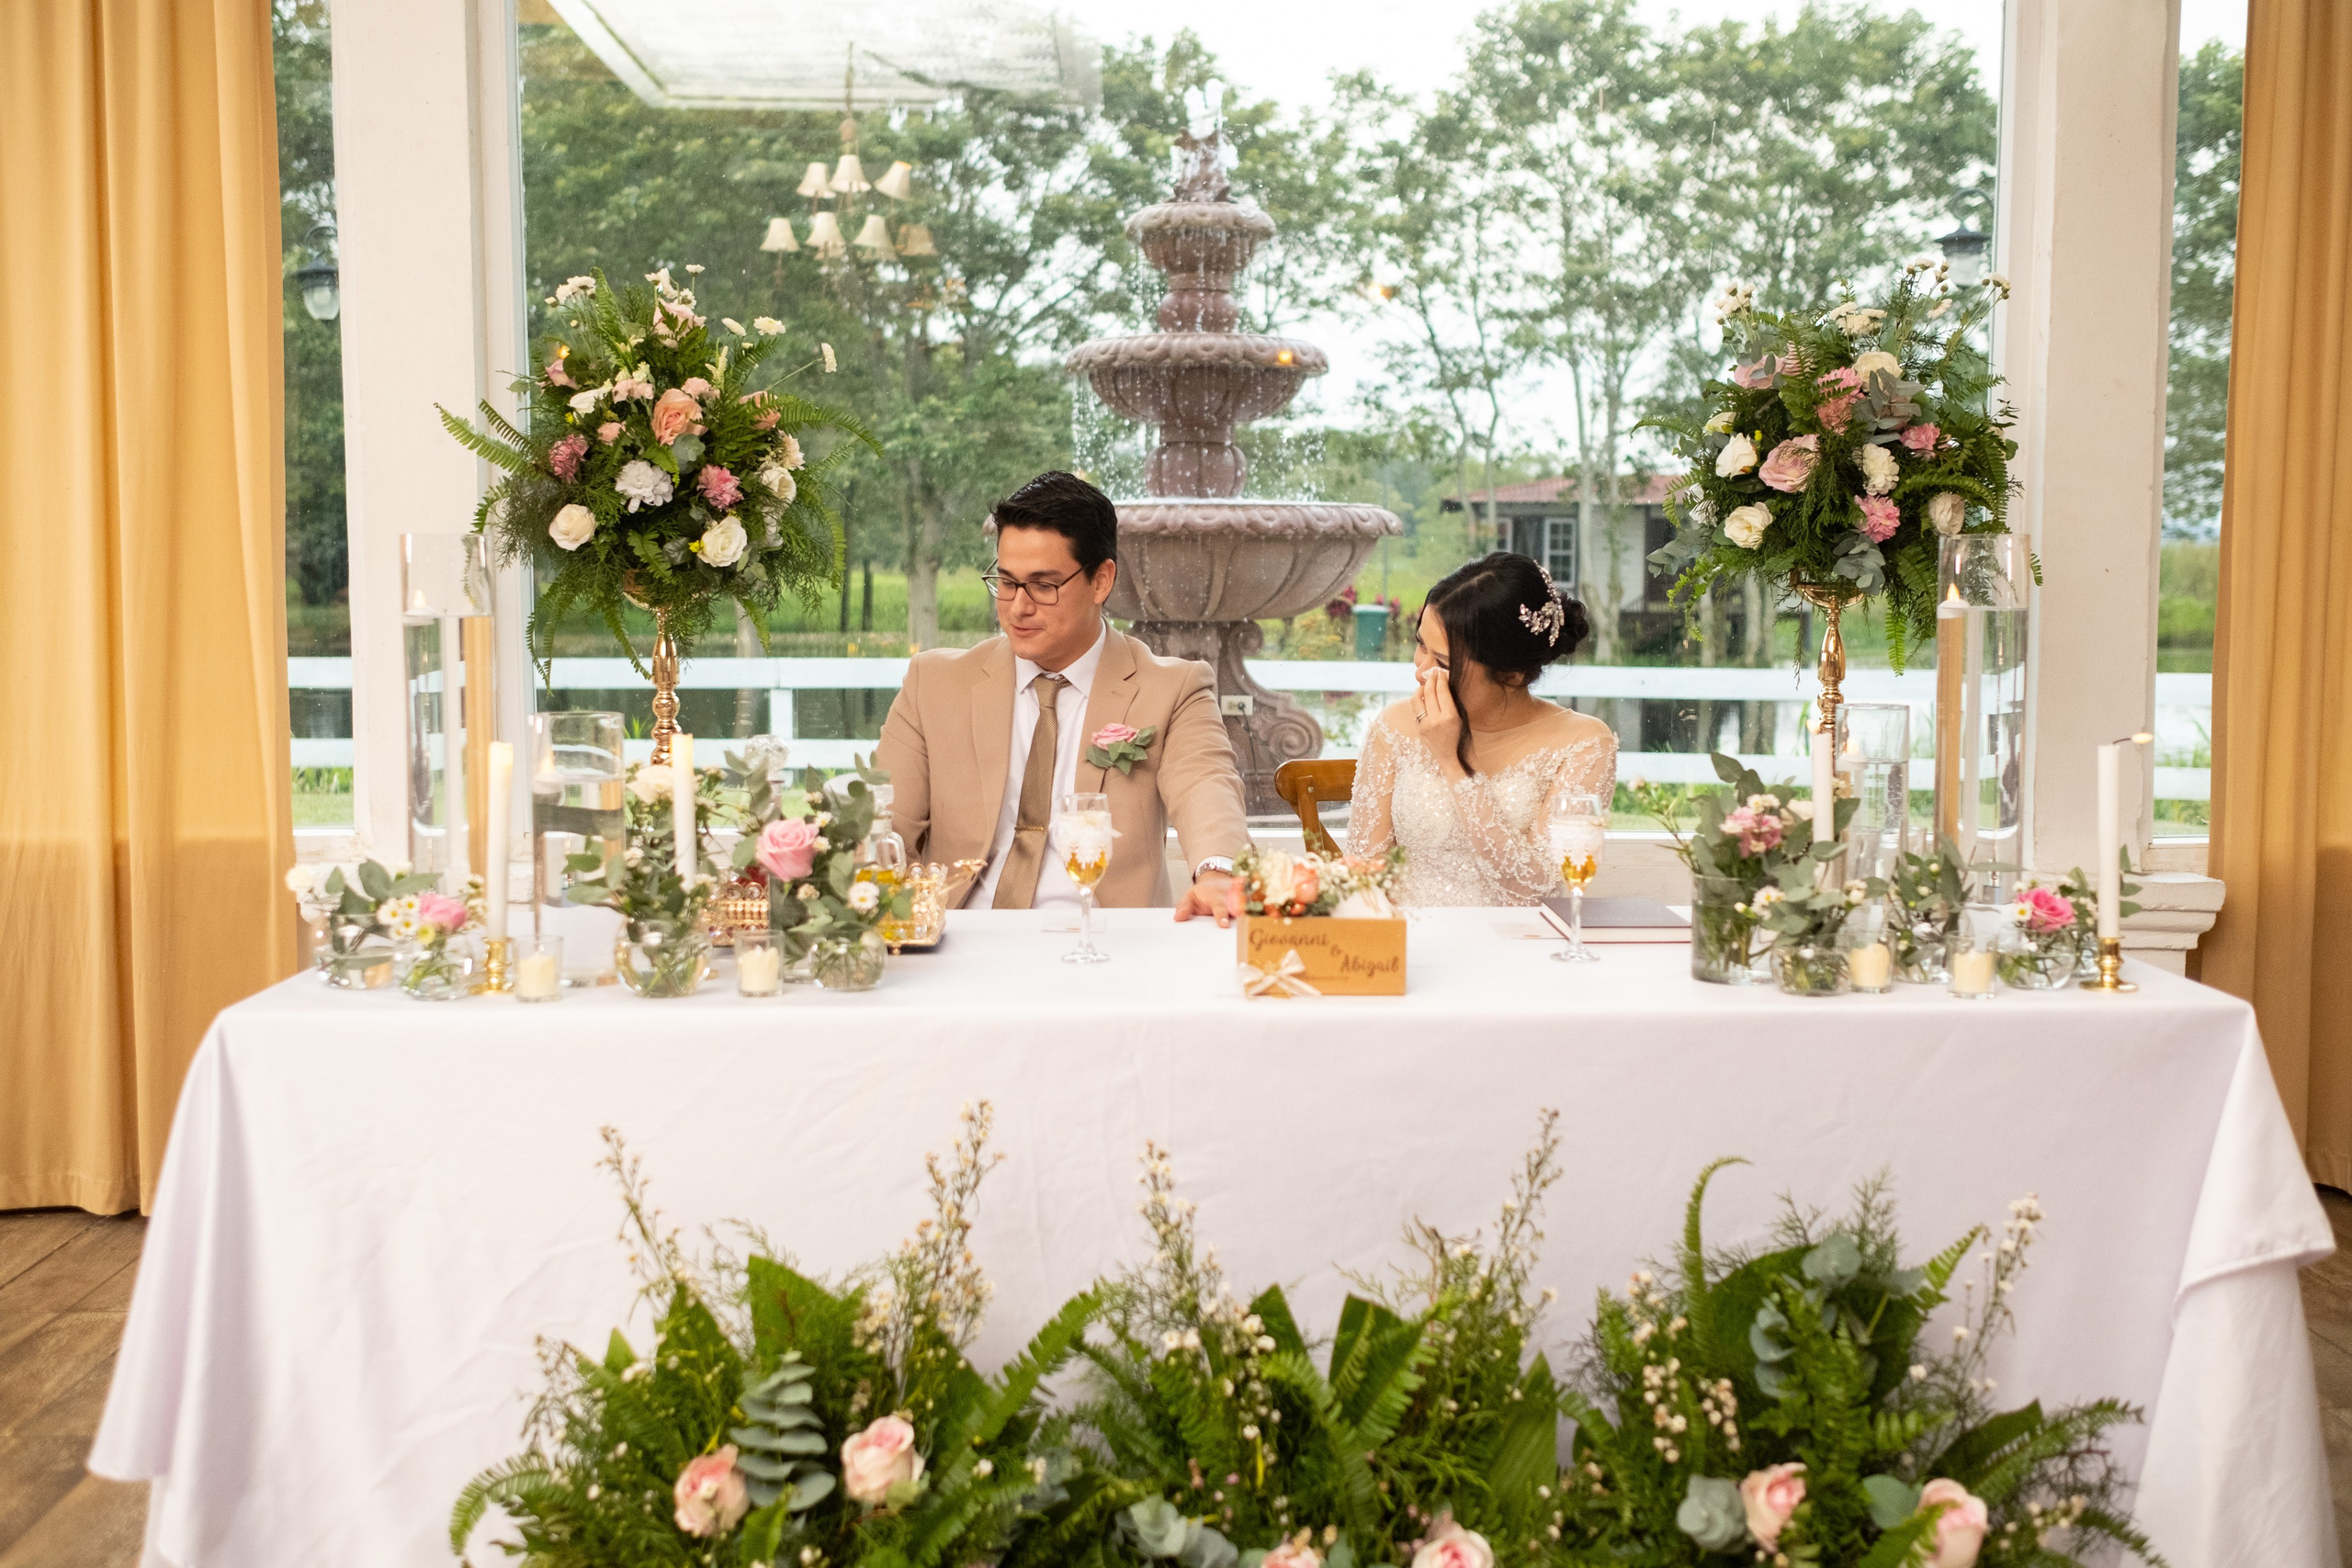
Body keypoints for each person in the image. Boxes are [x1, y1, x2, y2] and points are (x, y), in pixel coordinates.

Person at [877, 471, 1250, 923]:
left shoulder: (1173, 688)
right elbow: (883, 825)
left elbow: (1206, 785)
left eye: (1043, 585)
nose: (1018, 607)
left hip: (1107, 943)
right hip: (958, 937)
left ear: (1101, 581)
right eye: (1007, 582)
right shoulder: (934, 684)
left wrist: (1217, 873)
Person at [1348, 552, 1618, 905]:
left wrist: (1454, 763)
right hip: (1409, 934)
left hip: (1522, 935)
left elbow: (1534, 890)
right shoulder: (1395, 725)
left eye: (1442, 661)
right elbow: (1364, 876)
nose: (1420, 671)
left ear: (1512, 675)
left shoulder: (1584, 743)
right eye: (1421, 644)